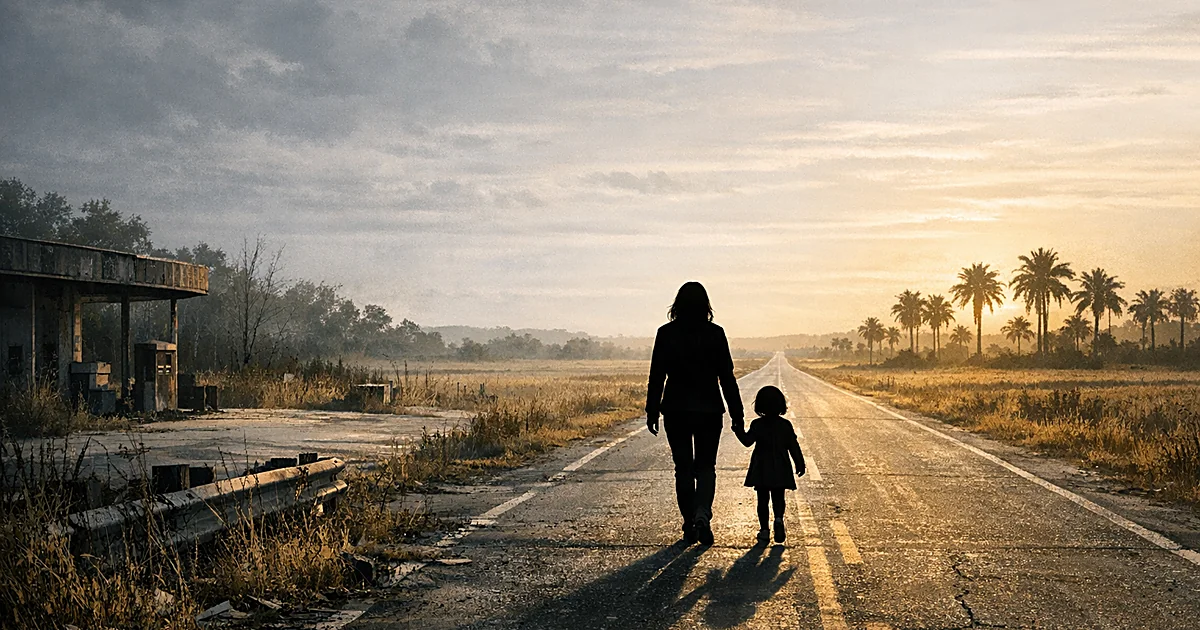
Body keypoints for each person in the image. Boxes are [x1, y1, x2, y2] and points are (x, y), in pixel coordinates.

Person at [646, 281, 743, 546]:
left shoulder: (666, 333)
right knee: (706, 467)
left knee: (683, 469)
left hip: (676, 410)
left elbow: (657, 376)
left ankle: (689, 522)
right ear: (706, 306)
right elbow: (727, 377)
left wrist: (651, 410)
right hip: (709, 410)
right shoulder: (716, 333)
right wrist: (737, 413)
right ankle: (703, 515)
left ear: (677, 304)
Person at [733, 385, 805, 544]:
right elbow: (793, 446)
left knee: (762, 499)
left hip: (762, 466)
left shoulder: (757, 425)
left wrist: (738, 430)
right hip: (781, 466)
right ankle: (778, 519)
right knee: (779, 497)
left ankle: (764, 529)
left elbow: (747, 442)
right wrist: (800, 463)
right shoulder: (785, 425)